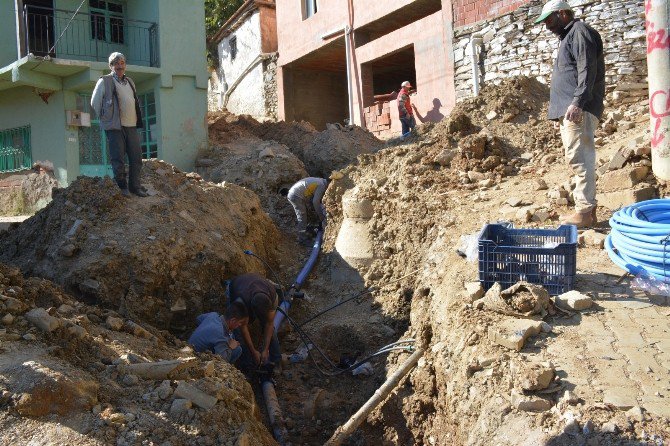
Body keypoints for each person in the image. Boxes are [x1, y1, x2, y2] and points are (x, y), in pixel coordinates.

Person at [535, 0, 605, 227]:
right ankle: (587, 211)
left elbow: (587, 69)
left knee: (580, 159)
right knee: (576, 158)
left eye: (549, 19)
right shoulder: (569, 36)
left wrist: (576, 103)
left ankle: (585, 212)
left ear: (563, 13)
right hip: (573, 110)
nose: (547, 25)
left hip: (579, 109)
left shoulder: (579, 32)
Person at [91, 52, 148, 198]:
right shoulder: (105, 81)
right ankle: (122, 187)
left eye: (122, 63)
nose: (120, 66)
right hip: (115, 127)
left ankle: (135, 186)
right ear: (111, 66)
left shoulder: (130, 81)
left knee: (136, 158)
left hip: (131, 125)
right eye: (116, 63)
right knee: (118, 159)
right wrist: (106, 118)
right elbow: (94, 103)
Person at [228, 273, 281, 367]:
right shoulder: (241, 301)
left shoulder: (272, 296)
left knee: (269, 326)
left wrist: (265, 350)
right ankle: (247, 364)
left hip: (258, 284)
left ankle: (276, 360)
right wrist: (253, 352)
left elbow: (269, 324)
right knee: (237, 330)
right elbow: (243, 327)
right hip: (237, 285)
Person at [284, 177, 327, 245]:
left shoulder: (318, 181)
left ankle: (308, 230)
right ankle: (302, 239)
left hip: (295, 194)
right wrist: (322, 218)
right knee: (302, 216)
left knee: (306, 212)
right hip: (295, 196)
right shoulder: (322, 185)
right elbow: (315, 202)